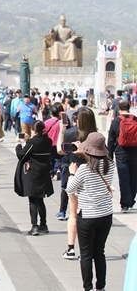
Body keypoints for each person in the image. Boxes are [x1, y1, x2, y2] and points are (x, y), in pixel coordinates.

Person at [66, 132, 115, 291]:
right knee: (99, 252)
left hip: (87, 215)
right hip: (106, 214)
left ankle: (88, 287)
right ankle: (101, 286)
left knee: (86, 255)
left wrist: (72, 173)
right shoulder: (110, 165)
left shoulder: (84, 170)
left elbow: (70, 189)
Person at [58, 108, 96, 260]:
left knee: (73, 214)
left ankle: (71, 248)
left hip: (73, 171)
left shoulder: (70, 133)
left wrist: (62, 131)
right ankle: (88, 250)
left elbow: (60, 150)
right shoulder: (96, 136)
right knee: (89, 214)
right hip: (91, 175)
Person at [14, 120, 53, 236]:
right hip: (44, 173)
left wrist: (19, 144)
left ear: (34, 130)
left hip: (33, 174)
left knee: (33, 201)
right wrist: (28, 141)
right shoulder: (48, 141)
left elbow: (21, 155)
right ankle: (43, 224)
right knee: (40, 199)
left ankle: (34, 226)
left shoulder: (32, 143)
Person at [108, 98, 137, 213]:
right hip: (135, 152)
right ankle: (131, 199)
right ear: (129, 108)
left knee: (123, 178)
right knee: (134, 177)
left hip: (121, 153)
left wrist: (109, 155)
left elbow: (111, 139)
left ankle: (125, 203)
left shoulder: (116, 121)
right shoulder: (135, 119)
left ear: (119, 109)